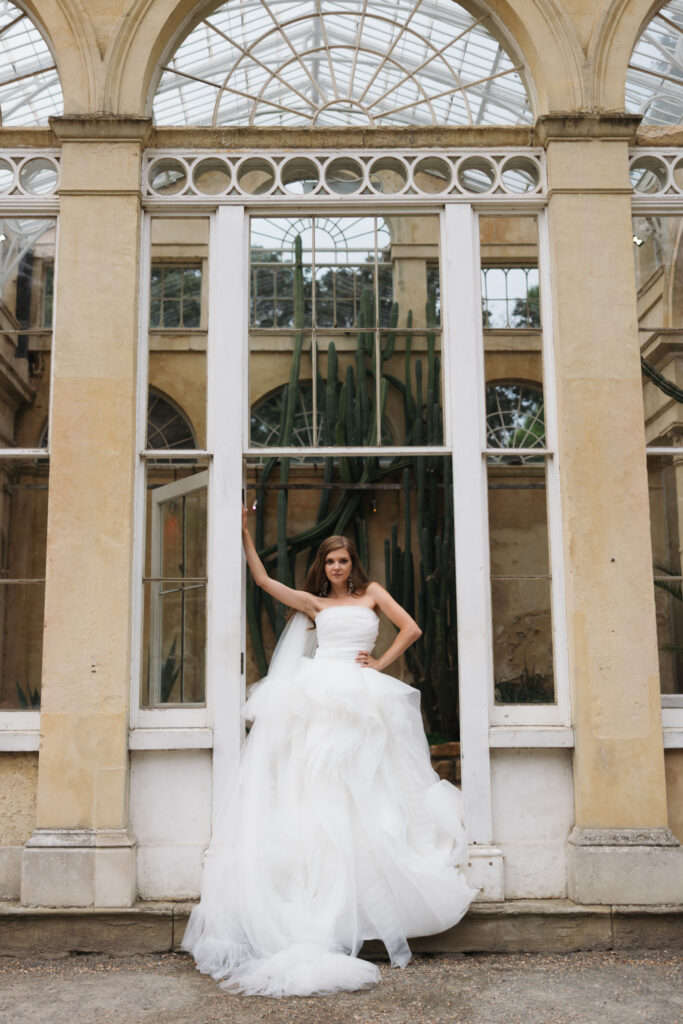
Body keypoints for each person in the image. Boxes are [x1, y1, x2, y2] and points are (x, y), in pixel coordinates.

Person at [181, 507, 477, 998]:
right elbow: (262, 581)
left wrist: (379, 661)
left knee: (374, 785)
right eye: (331, 562)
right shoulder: (314, 605)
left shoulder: (374, 593)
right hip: (322, 696)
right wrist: (246, 535)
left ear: (352, 563)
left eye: (343, 561)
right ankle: (327, 901)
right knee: (320, 786)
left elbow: (412, 628)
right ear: (323, 566)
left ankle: (375, 897)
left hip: (362, 692)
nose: (338, 567)